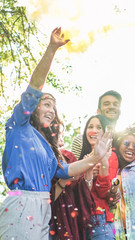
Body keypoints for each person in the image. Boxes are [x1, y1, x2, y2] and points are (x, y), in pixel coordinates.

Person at [0, 27, 112, 239]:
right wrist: (52, 49)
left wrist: (97, 156)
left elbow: (65, 170)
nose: (51, 110)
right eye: (46, 104)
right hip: (22, 201)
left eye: (54, 107)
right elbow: (34, 87)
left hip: (44, 204)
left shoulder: (46, 147)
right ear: (32, 107)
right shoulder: (19, 125)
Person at [49, 126, 96, 240]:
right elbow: (47, 199)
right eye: (57, 131)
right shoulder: (46, 156)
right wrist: (66, 179)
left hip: (72, 213)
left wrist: (88, 171)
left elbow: (82, 190)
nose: (61, 134)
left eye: (61, 131)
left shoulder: (69, 156)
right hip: (52, 216)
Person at [79, 115, 118, 240]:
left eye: (99, 127)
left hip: (99, 218)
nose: (94, 131)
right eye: (90, 127)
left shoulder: (111, 156)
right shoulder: (80, 159)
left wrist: (104, 165)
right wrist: (87, 174)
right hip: (79, 218)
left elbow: (103, 193)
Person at [71, 90, 122, 158]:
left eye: (116, 104)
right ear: (98, 111)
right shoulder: (81, 141)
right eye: (106, 104)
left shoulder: (122, 141)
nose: (112, 107)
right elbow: (73, 167)